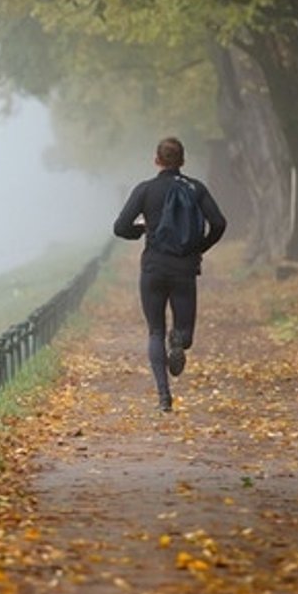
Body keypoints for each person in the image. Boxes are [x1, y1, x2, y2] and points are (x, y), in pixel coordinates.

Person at [112, 136, 227, 410]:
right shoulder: (195, 188)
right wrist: (199, 247)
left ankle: (164, 396)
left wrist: (144, 229)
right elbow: (219, 223)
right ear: (183, 161)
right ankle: (178, 342)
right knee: (184, 332)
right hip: (184, 269)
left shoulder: (145, 190)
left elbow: (120, 227)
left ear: (157, 160)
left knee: (154, 331)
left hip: (153, 267)